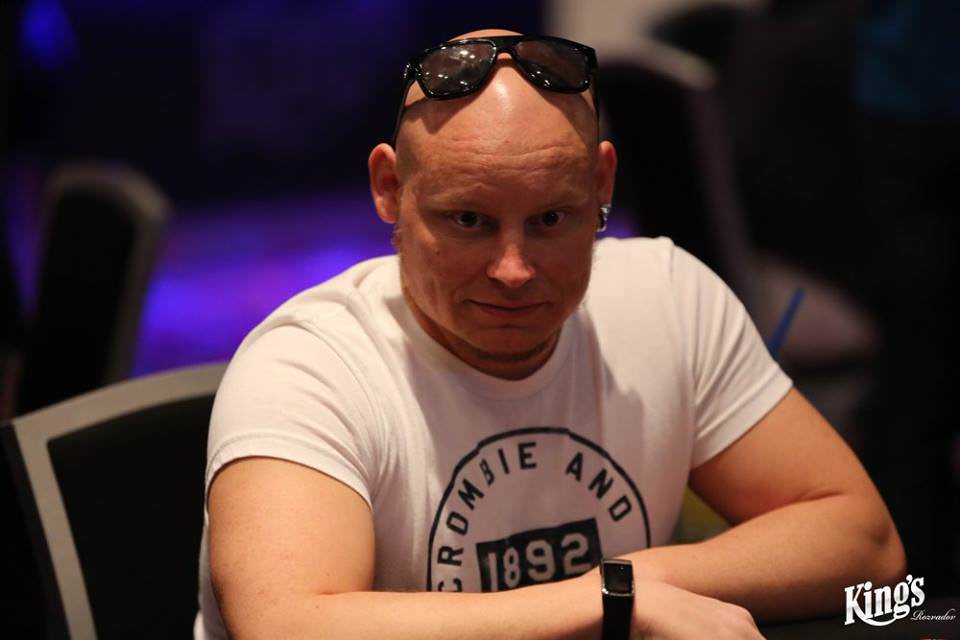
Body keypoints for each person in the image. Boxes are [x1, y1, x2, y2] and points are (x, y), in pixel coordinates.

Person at [196, 28, 905, 640]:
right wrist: (610, 602)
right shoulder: (306, 366)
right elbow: (286, 623)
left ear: (601, 186)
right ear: (390, 188)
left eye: (550, 220)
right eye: (468, 221)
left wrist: (630, 585)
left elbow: (865, 541)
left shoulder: (666, 298)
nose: (513, 270)